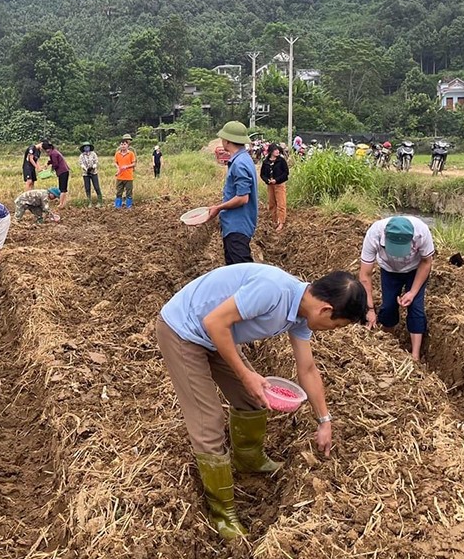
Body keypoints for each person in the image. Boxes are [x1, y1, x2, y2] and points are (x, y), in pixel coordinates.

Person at [157, 263, 368, 540]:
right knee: (208, 422)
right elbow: (213, 322)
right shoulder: (273, 290)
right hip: (184, 331)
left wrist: (324, 420)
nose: (331, 330)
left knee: (253, 399)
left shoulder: (301, 316)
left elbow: (307, 369)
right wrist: (246, 374)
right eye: (336, 325)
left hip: (215, 335)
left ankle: (248, 459)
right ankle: (223, 514)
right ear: (325, 310)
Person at [358, 216, 435, 362]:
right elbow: (364, 275)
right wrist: (370, 309)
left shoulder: (422, 232)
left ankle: (415, 355)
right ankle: (389, 344)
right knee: (388, 307)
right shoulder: (374, 233)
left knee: (416, 308)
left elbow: (426, 262)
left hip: (415, 270)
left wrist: (412, 292)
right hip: (389, 271)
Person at [204, 121, 258, 265]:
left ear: (227, 141)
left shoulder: (239, 164)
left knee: (242, 270)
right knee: (235, 270)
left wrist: (218, 207)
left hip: (237, 226)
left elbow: (242, 198)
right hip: (237, 225)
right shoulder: (244, 159)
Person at [259, 144, 289, 232]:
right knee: (272, 203)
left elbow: (285, 173)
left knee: (281, 203)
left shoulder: (281, 161)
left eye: (278, 150)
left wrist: (277, 180)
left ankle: (281, 222)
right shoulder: (266, 162)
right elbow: (262, 174)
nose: (277, 151)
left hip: (279, 184)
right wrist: (267, 180)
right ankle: (274, 220)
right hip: (270, 185)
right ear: (271, 151)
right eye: (275, 150)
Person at [43, 141, 71, 209]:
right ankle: (63, 203)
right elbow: (53, 161)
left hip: (62, 171)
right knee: (63, 188)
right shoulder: (54, 152)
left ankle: (61, 204)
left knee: (62, 189)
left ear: (47, 149)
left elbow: (55, 164)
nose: (46, 152)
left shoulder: (53, 153)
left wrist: (51, 171)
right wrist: (48, 163)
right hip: (64, 171)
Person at [114, 134, 136, 209]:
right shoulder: (117, 152)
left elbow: (134, 162)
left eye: (125, 143)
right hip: (120, 175)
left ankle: (129, 206)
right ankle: (117, 206)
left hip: (128, 175)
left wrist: (128, 167)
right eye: (122, 144)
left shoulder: (132, 152)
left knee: (129, 192)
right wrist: (118, 169)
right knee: (119, 191)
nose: (123, 145)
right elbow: (116, 162)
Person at [78, 142, 103, 206]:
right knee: (87, 188)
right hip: (85, 174)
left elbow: (96, 162)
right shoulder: (81, 156)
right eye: (85, 147)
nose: (87, 148)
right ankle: (89, 202)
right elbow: (81, 164)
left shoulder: (93, 154)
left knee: (97, 187)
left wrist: (93, 167)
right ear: (83, 148)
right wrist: (86, 169)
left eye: (88, 146)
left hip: (94, 172)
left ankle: (100, 201)